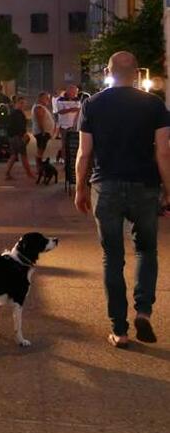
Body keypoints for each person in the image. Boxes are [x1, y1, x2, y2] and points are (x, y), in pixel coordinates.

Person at [75, 52, 170, 347]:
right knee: (146, 250)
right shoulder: (154, 104)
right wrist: (169, 188)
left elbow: (84, 153)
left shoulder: (92, 104)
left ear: (108, 71)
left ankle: (120, 329)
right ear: (137, 73)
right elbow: (163, 151)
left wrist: (80, 187)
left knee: (112, 257)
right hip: (145, 185)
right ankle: (143, 310)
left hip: (106, 186)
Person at [4, 96, 35, 180]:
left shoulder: (14, 112)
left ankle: (7, 173)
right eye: (21, 103)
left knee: (14, 155)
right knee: (23, 155)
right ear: (16, 103)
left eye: (23, 103)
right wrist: (23, 135)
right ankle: (29, 173)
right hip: (17, 137)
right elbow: (18, 126)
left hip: (14, 136)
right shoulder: (17, 113)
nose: (23, 105)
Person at [31, 92, 55, 171]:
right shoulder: (39, 108)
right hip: (41, 133)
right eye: (46, 98)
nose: (48, 100)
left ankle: (39, 166)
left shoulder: (42, 107)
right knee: (40, 150)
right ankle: (39, 167)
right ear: (40, 98)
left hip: (44, 132)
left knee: (41, 150)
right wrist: (43, 131)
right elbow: (40, 120)